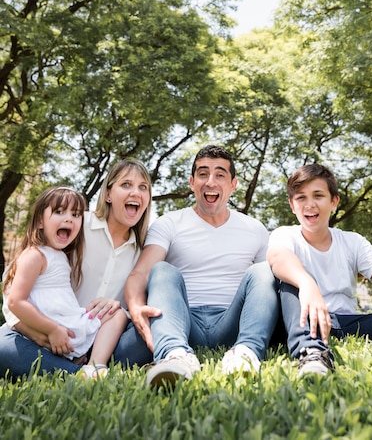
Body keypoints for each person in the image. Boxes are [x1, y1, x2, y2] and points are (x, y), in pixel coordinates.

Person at [125, 144, 279, 387]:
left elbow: (267, 287)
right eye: (203, 174)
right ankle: (175, 356)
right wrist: (135, 308)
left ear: (233, 184)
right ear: (192, 182)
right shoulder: (169, 223)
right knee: (163, 269)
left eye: (220, 175)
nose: (211, 182)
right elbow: (141, 273)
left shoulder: (255, 229)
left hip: (232, 320)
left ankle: (246, 353)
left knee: (263, 270)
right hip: (183, 321)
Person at [0, 158, 153, 378]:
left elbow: (136, 306)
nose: (136, 193)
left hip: (101, 342)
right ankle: (79, 374)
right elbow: (12, 287)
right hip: (47, 337)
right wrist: (38, 332)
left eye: (143, 187)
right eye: (126, 184)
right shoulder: (77, 227)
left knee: (146, 335)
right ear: (108, 194)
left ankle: (89, 368)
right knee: (3, 347)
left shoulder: (142, 252)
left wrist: (119, 309)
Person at [267, 163, 372, 376]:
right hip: (305, 322)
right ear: (292, 205)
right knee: (289, 280)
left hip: (348, 323)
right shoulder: (285, 235)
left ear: (334, 202)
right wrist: (307, 284)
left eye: (318, 196)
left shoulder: (352, 241)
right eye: (301, 198)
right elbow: (278, 258)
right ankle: (312, 352)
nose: (309, 204)